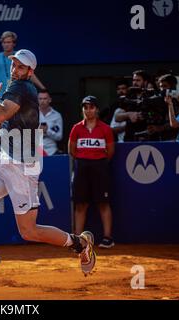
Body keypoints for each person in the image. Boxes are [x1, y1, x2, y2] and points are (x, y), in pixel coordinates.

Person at [0, 49, 96, 277]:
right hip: (2, 159)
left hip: (23, 164)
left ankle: (80, 244)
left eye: (21, 67)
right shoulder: (16, 89)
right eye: (13, 65)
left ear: (30, 72)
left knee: (29, 231)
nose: (14, 69)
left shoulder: (23, 88)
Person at [68, 96, 115, 249]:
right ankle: (78, 241)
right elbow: (72, 150)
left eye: (92, 107)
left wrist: (96, 160)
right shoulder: (76, 128)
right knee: (80, 204)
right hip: (81, 167)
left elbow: (110, 151)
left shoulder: (106, 129)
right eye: (86, 107)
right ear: (83, 110)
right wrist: (85, 159)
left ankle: (108, 238)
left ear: (97, 109)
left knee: (103, 203)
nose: (88, 110)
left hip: (100, 167)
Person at [0, 31, 46, 96]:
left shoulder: (20, 57)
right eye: (4, 42)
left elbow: (30, 73)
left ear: (14, 43)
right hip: (1, 96)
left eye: (8, 42)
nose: (6, 44)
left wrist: (42, 88)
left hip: (19, 94)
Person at [38, 89, 63, 155]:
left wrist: (47, 131)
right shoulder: (31, 114)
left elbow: (59, 136)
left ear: (50, 100)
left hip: (51, 151)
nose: (42, 101)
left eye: (45, 98)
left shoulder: (56, 115)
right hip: (35, 151)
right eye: (40, 99)